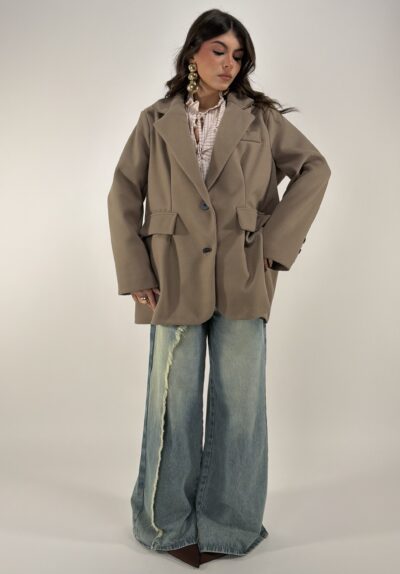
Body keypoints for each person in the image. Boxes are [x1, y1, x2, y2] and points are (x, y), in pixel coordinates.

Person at [107, 8, 331, 568]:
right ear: (193, 53)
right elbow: (124, 192)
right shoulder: (155, 120)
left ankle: (230, 526)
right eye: (219, 51)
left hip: (243, 273)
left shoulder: (260, 119)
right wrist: (136, 272)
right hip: (172, 277)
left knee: (240, 405)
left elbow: (314, 168)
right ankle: (165, 523)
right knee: (172, 404)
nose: (229, 63)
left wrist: (276, 246)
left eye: (238, 55)